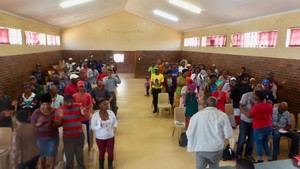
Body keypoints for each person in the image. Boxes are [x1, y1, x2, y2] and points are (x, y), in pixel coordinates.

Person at [186, 97, 233, 169]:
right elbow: (228, 135)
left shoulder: (196, 116)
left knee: (200, 167)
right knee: (214, 165)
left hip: (200, 148)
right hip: (216, 148)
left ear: (205, 104)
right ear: (216, 104)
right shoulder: (222, 115)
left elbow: (189, 133)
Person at [54, 94, 87, 169]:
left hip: (79, 136)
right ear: (64, 102)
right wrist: (60, 117)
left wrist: (84, 112)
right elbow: (56, 124)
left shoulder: (78, 106)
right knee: (69, 158)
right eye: (67, 102)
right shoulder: (59, 110)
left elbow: (86, 116)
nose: (69, 103)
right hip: (68, 138)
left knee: (80, 156)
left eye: (71, 102)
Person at [30, 93, 59, 169]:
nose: (46, 106)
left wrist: (52, 124)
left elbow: (58, 123)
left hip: (53, 137)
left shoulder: (55, 111)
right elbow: (32, 126)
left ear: (51, 103)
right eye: (44, 104)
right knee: (42, 157)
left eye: (48, 104)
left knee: (52, 155)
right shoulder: (36, 112)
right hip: (40, 139)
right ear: (41, 103)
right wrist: (40, 123)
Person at [244, 90, 273, 162]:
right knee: (265, 143)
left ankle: (260, 160)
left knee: (258, 144)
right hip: (268, 126)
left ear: (258, 97)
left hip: (259, 127)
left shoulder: (256, 107)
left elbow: (249, 115)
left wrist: (242, 108)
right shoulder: (269, 105)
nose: (253, 96)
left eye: (255, 95)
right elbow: (270, 114)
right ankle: (270, 159)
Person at [236, 85, 262, 161]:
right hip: (245, 120)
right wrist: (246, 113)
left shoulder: (261, 97)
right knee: (242, 138)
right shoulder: (246, 95)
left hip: (255, 121)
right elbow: (240, 106)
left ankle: (248, 154)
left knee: (252, 139)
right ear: (254, 89)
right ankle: (238, 154)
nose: (258, 94)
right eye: (257, 91)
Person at [91, 98, 118, 169]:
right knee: (101, 152)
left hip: (110, 136)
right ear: (100, 105)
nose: (107, 105)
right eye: (104, 104)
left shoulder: (111, 113)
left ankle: (110, 166)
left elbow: (115, 121)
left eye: (107, 104)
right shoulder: (95, 115)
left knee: (110, 152)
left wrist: (114, 126)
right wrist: (99, 126)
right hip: (100, 137)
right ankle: (101, 166)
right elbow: (93, 127)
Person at [73, 81, 94, 147]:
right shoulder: (74, 96)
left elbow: (90, 105)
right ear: (77, 87)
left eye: (82, 86)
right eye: (80, 87)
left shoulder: (88, 95)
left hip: (85, 116)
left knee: (86, 132)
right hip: (77, 117)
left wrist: (84, 108)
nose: (81, 88)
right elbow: (72, 105)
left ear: (84, 87)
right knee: (77, 132)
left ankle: (87, 145)